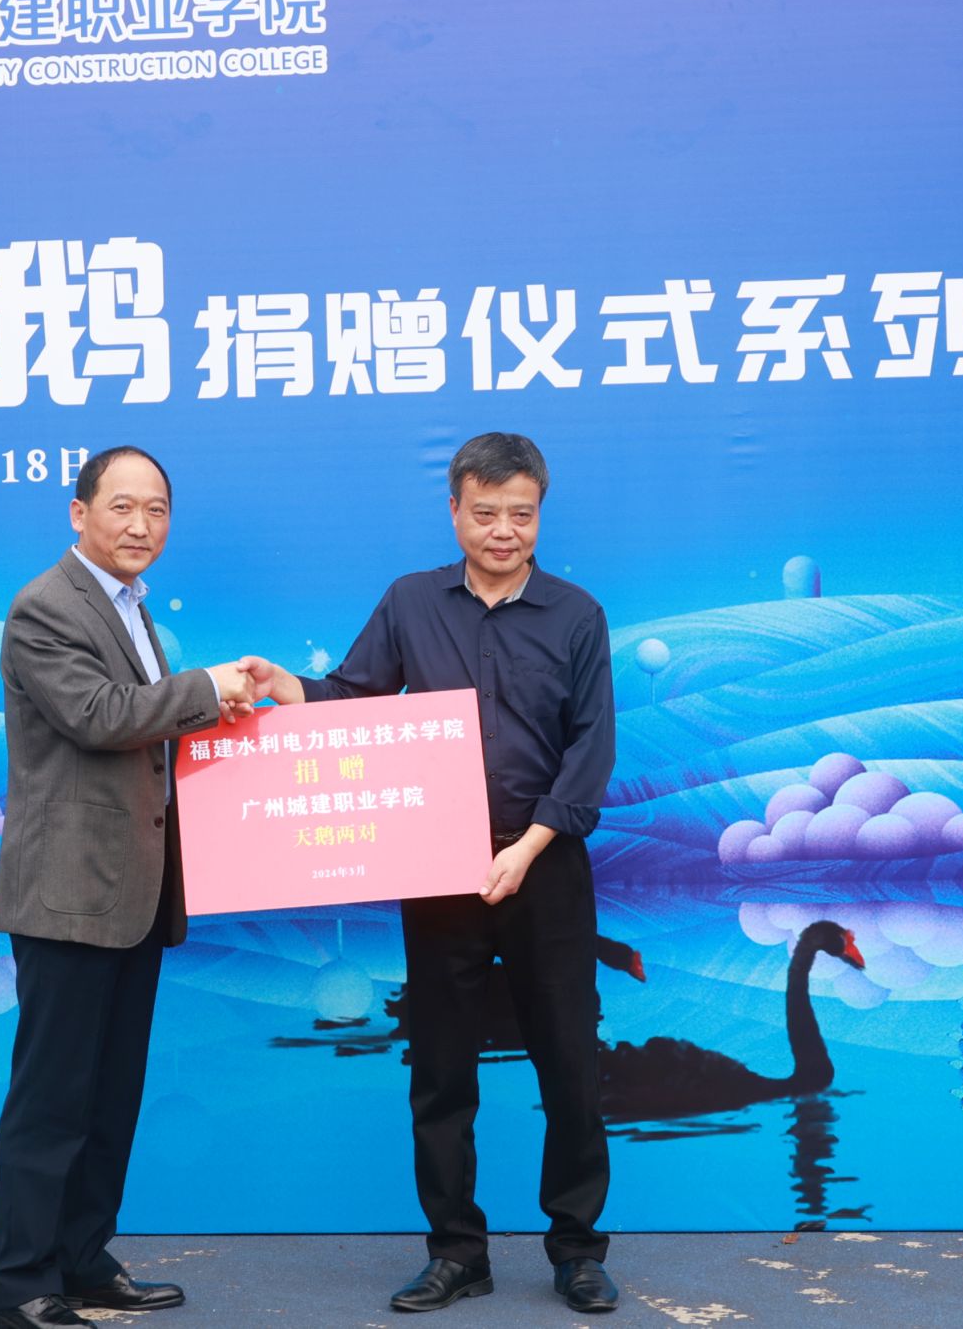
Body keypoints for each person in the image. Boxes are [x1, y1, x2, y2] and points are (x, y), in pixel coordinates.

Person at [243, 433, 620, 1315]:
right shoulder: (411, 602)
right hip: (439, 866)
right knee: (442, 1072)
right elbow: (353, 699)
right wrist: (288, 687)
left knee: (570, 1063)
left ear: (539, 513)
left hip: (544, 865)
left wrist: (527, 848)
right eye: (485, 513)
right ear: (454, 512)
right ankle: (456, 1252)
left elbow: (591, 749)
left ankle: (577, 1250)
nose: (503, 531)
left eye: (521, 514)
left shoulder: (577, 615)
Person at [0, 445, 263, 1329]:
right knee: (52, 1102)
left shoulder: (130, 607)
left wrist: (218, 704)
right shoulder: (45, 606)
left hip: (132, 896)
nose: (142, 525)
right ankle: (21, 1286)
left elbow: (147, 730)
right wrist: (204, 688)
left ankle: (82, 1258)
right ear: (79, 513)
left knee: (109, 1099)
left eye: (157, 510)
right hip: (70, 896)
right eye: (122, 507)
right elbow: (98, 716)